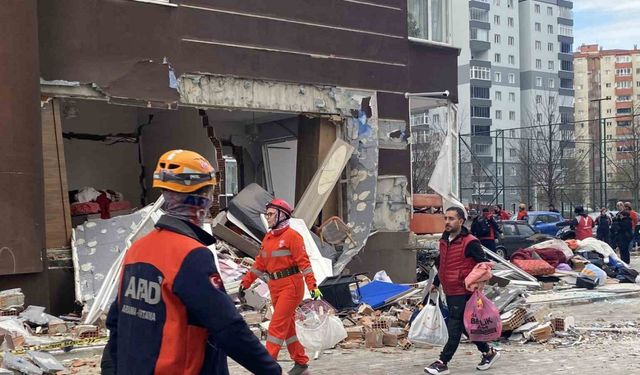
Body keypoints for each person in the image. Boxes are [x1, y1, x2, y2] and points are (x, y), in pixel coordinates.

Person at [103, 150, 281, 375]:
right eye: (209, 191)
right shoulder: (191, 255)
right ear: (203, 195)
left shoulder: (138, 250)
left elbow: (117, 322)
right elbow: (227, 327)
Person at [240, 198, 321, 375]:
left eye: (270, 214)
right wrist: (245, 282)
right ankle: (301, 363)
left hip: (291, 286)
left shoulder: (293, 236)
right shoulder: (268, 237)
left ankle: (266, 367)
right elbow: (259, 265)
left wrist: (313, 286)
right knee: (288, 327)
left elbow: (304, 264)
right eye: (267, 214)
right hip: (275, 286)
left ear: (281, 215)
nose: (267, 217)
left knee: (276, 326)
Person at [424, 207, 501, 375]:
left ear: (461, 221)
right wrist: (436, 282)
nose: (447, 222)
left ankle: (442, 362)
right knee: (466, 326)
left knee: (455, 325)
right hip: (449, 290)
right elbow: (442, 263)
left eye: (451, 218)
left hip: (463, 291)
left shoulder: (470, 242)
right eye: (445, 218)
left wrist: (476, 282)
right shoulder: (444, 239)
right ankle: (488, 353)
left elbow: (484, 264)